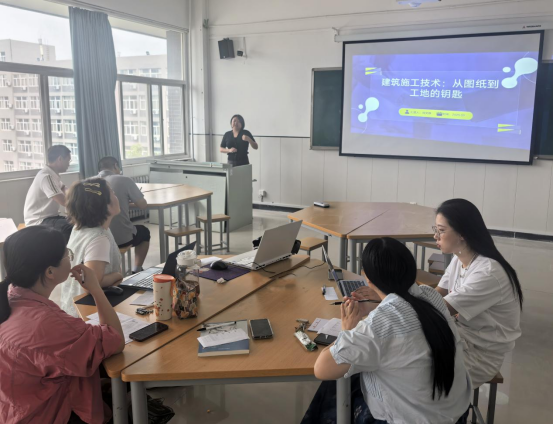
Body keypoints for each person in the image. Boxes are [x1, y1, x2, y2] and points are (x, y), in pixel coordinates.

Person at [304, 238, 472, 424]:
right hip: (456, 413)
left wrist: (348, 329)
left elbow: (322, 369)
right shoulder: (430, 294)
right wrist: (378, 306)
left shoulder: (377, 326)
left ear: (367, 278)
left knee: (333, 387)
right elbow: (407, 317)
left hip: (414, 419)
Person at [0, 226, 125, 424]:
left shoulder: (9, 298)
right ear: (50, 271)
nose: (70, 257)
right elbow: (115, 340)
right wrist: (96, 289)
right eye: (67, 253)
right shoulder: (47, 324)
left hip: (13, 408)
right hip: (45, 415)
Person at [434, 199, 523, 389]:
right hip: (461, 335)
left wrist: (387, 299)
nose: (435, 236)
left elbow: (438, 308)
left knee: (413, 370)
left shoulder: (488, 272)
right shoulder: (459, 259)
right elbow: (436, 295)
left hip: (481, 354)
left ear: (462, 233)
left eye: (441, 230)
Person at [60, 178, 123, 317]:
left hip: (72, 306)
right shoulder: (99, 239)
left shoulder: (79, 228)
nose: (116, 196)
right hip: (87, 313)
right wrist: (117, 275)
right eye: (112, 193)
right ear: (105, 206)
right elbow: (90, 284)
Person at [97, 156, 151, 273]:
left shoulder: (88, 182)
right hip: (121, 239)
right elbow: (143, 205)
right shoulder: (124, 180)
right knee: (144, 232)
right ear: (115, 166)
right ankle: (137, 269)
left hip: (95, 238)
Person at [23, 145, 73, 242]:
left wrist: (71, 194)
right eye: (68, 160)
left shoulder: (51, 174)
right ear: (60, 159)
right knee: (72, 227)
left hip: (50, 217)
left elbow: (63, 187)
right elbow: (64, 201)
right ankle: (64, 251)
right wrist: (80, 204)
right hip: (38, 221)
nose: (69, 164)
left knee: (77, 223)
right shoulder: (46, 177)